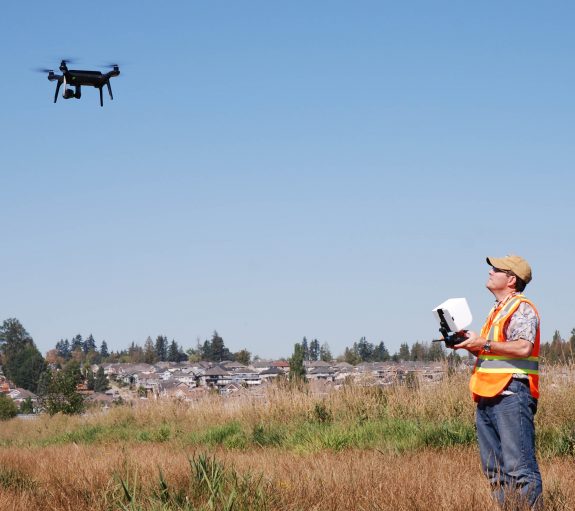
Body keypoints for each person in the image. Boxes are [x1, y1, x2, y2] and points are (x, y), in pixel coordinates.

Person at [453, 255, 542, 509]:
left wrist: (484, 343)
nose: (490, 272)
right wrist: (470, 344)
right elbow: (491, 352)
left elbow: (523, 347)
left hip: (511, 394)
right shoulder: (496, 311)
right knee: (495, 473)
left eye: (496, 269)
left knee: (520, 469)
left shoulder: (522, 307)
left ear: (511, 279)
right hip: (487, 396)